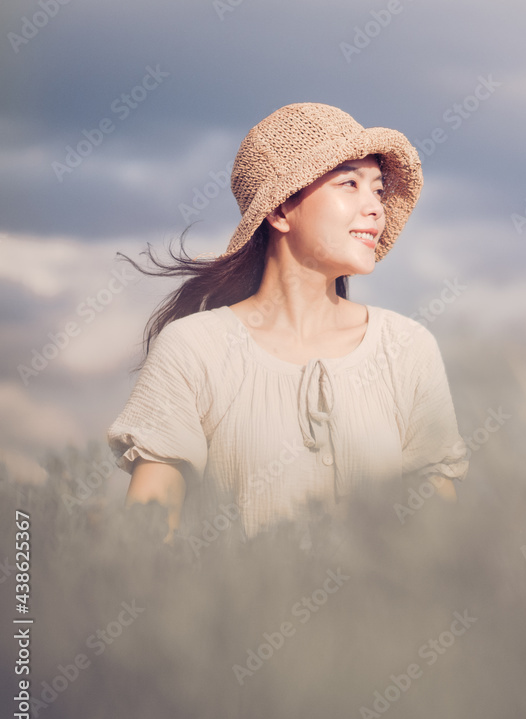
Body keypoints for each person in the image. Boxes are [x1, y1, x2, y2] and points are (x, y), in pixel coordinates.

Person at [107, 103, 469, 544]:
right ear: (279, 210)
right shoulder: (193, 348)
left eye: (377, 189)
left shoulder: (408, 347)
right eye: (349, 183)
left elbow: (442, 542)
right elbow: (146, 541)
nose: (375, 207)